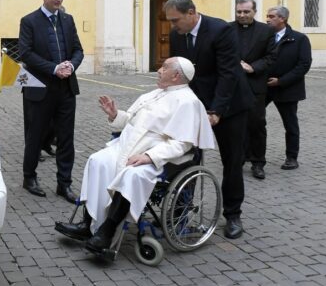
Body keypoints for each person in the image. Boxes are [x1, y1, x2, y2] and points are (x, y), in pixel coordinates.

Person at [54, 57, 215, 256]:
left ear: (176, 76)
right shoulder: (154, 94)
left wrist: (149, 156)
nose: (159, 70)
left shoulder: (188, 102)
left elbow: (181, 144)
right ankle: (88, 223)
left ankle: (106, 232)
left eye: (164, 67)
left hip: (162, 157)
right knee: (98, 161)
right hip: (128, 146)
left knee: (132, 175)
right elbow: (131, 122)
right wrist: (115, 115)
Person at [163, 0, 254, 239]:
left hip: (230, 105)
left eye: (175, 20)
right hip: (196, 105)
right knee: (186, 157)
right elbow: (179, 73)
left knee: (232, 161)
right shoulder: (176, 35)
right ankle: (181, 212)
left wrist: (216, 111)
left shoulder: (220, 30)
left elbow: (228, 74)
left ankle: (233, 215)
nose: (173, 26)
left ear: (191, 12)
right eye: (170, 21)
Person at [18, 0, 84, 201]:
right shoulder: (29, 21)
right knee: (35, 136)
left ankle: (64, 184)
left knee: (66, 138)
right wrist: (54, 68)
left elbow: (78, 50)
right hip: (39, 89)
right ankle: (29, 177)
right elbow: (25, 53)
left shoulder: (67, 19)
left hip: (66, 89)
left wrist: (71, 65)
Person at [229, 0, 277, 179]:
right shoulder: (227, 29)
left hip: (255, 84)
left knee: (257, 124)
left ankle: (258, 162)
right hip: (232, 85)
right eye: (239, 12)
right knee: (234, 126)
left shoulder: (266, 31)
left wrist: (253, 67)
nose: (242, 15)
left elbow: (272, 56)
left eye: (246, 12)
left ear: (254, 11)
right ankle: (237, 159)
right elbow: (221, 53)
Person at [265, 6, 312, 170]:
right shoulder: (265, 36)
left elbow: (303, 65)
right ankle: (253, 154)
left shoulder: (299, 39)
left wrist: (281, 81)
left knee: (290, 124)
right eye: (267, 16)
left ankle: (292, 157)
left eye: (271, 16)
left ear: (282, 19)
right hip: (264, 87)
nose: (267, 19)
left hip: (287, 88)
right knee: (254, 120)